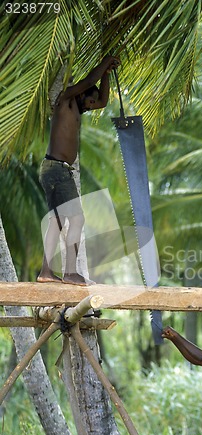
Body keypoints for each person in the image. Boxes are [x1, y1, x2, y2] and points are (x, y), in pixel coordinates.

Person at [37, 55, 120, 286]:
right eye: (89, 101)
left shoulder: (77, 109)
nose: (92, 105)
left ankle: (46, 272)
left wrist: (107, 75)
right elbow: (89, 80)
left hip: (59, 170)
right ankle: (70, 272)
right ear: (81, 93)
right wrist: (105, 61)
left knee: (58, 221)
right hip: (56, 169)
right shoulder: (65, 100)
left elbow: (103, 100)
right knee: (77, 218)